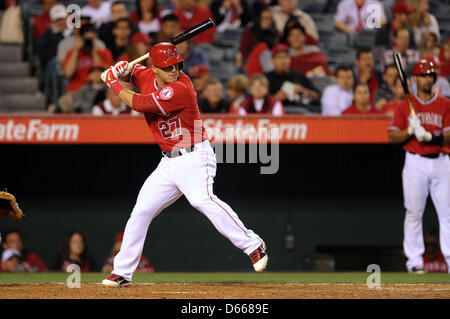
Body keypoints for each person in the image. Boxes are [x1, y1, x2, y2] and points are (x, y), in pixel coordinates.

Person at [100, 43, 268, 287]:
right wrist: (123, 69)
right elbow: (134, 73)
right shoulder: (147, 74)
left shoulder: (182, 87)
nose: (174, 70)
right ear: (155, 68)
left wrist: (113, 83)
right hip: (168, 162)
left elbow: (140, 104)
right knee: (141, 211)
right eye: (167, 67)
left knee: (202, 200)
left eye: (176, 65)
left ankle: (254, 245)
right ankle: (122, 272)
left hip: (194, 156)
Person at [387, 58, 450, 274]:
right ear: (415, 78)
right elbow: (392, 136)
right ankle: (414, 261)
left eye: (430, 75)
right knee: (413, 212)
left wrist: (432, 137)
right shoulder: (405, 106)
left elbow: (449, 135)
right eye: (423, 75)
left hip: (441, 161)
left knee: (447, 213)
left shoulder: (445, 103)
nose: (427, 79)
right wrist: (410, 132)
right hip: (415, 161)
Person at [62, 23, 113, 93]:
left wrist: (94, 53)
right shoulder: (72, 53)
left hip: (100, 90)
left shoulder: (105, 53)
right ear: (80, 39)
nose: (89, 42)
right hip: (77, 90)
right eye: (87, 39)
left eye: (92, 39)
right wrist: (76, 50)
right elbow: (68, 73)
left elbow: (107, 75)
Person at [265, 44, 319, 108]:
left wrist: (304, 90)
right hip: (277, 113)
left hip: (301, 112)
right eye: (279, 57)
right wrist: (276, 98)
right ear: (272, 60)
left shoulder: (299, 76)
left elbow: (318, 97)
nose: (283, 61)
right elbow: (258, 103)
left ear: (290, 59)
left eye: (285, 57)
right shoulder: (266, 78)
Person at [236, 6, 276, 72]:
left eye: (270, 18)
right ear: (258, 19)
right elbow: (242, 53)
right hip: (251, 66)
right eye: (264, 18)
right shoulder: (249, 32)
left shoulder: (275, 33)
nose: (267, 21)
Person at [37, 4, 67, 69]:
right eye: (57, 20)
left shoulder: (72, 32)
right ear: (52, 21)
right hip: (56, 64)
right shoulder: (48, 34)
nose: (61, 22)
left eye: (62, 19)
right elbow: (42, 53)